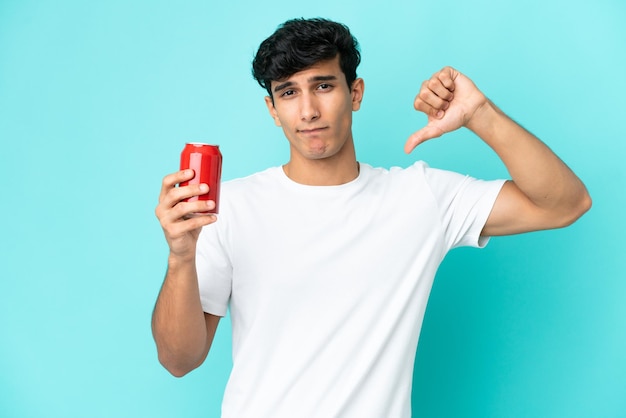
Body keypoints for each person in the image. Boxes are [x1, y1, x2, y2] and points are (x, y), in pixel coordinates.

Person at [152, 17, 591, 418]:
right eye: (288, 92)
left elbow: (565, 203)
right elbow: (178, 359)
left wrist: (480, 115)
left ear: (354, 93)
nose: (307, 110)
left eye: (323, 86)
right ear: (272, 109)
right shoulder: (231, 208)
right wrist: (179, 257)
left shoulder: (420, 198)